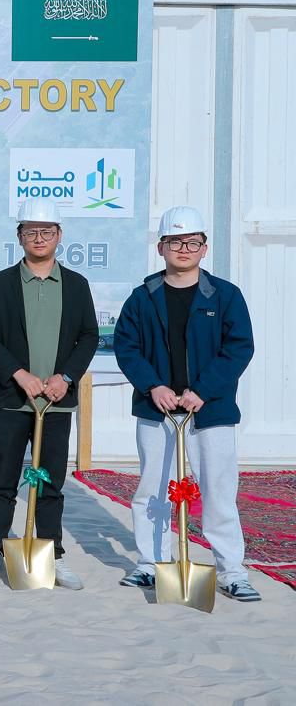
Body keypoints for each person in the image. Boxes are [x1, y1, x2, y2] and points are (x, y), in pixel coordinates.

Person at [113, 206, 259, 601]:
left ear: (204, 248)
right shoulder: (143, 298)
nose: (184, 249)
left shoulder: (226, 296)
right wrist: (153, 386)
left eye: (192, 242)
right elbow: (127, 348)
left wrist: (202, 391)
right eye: (175, 242)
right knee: (152, 490)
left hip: (210, 411)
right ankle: (151, 564)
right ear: (161, 247)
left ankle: (231, 571)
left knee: (218, 490)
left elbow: (238, 348)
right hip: (157, 409)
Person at [0, 197, 98, 589]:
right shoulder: (0, 284)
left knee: (50, 481)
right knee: (4, 477)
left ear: (59, 235)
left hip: (55, 401)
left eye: (46, 231)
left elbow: (89, 336)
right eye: (31, 232)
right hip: (12, 399)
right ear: (19, 237)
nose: (39, 238)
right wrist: (19, 374)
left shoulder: (76, 285)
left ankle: (52, 551)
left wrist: (66, 377)